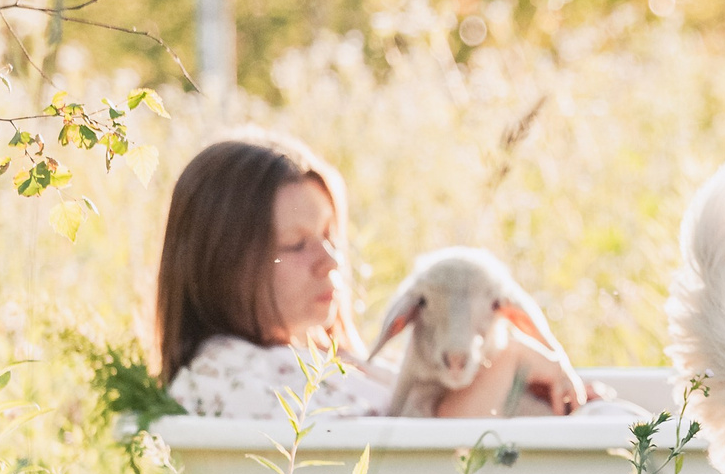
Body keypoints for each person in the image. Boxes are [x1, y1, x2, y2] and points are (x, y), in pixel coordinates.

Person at [155, 130, 592, 419]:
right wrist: (512, 361)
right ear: (225, 264)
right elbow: (402, 467)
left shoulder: (328, 363)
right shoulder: (224, 375)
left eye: (330, 237)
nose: (329, 261)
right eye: (295, 245)